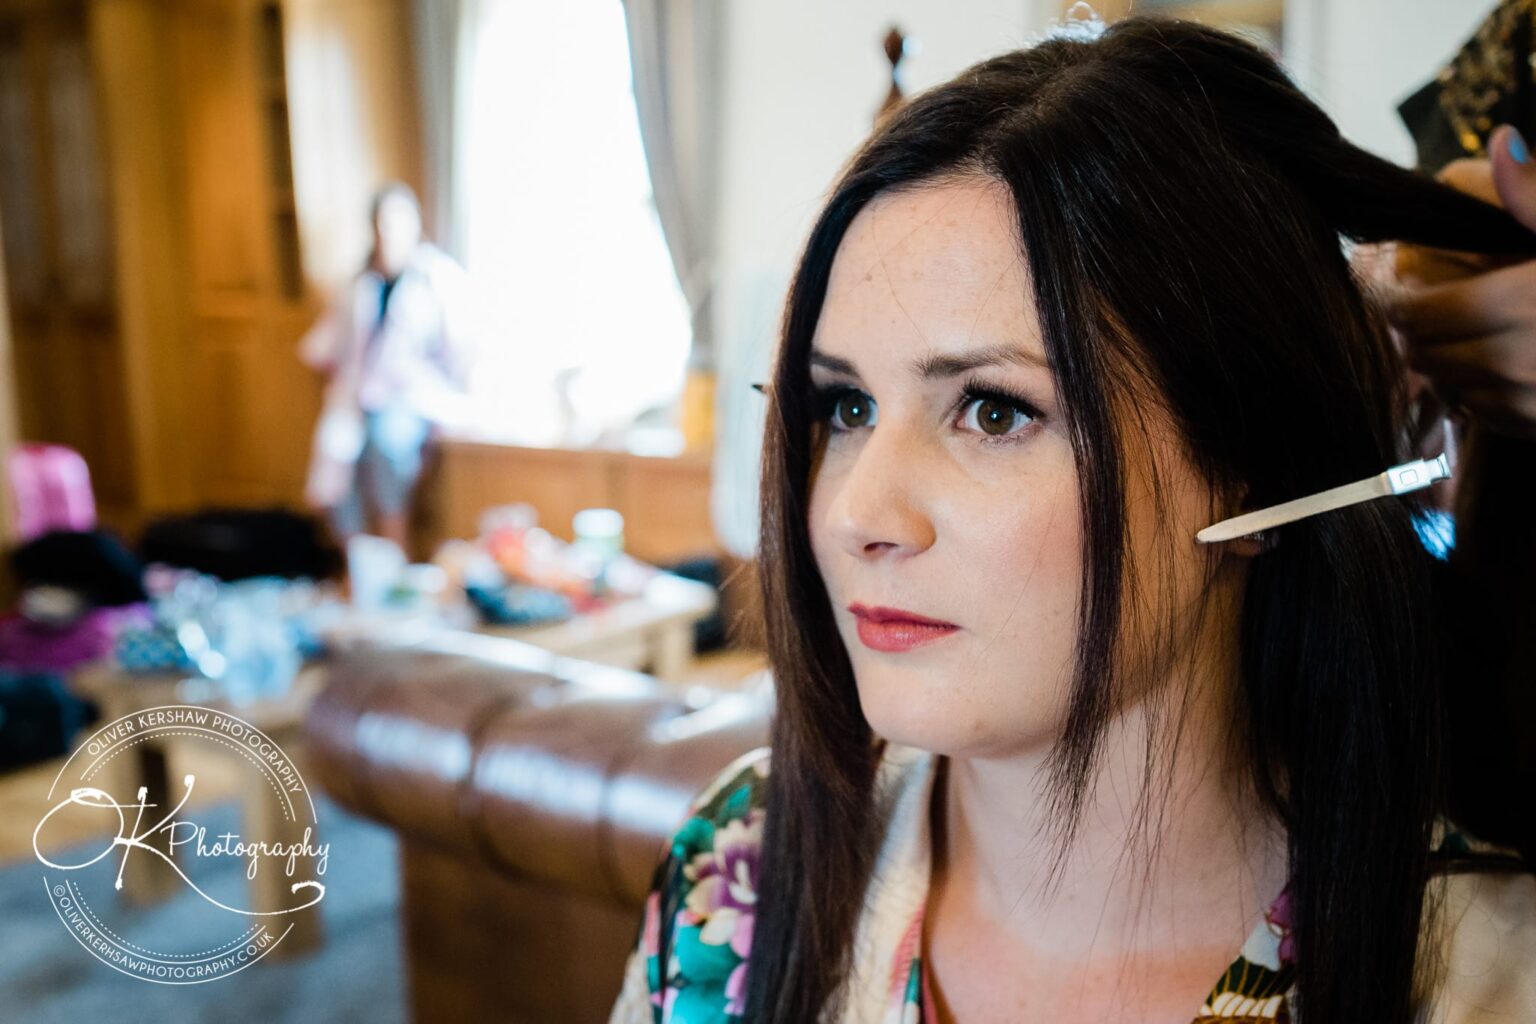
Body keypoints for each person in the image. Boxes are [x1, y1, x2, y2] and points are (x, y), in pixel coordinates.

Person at [608, 15, 1536, 1024]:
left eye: (994, 410)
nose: (854, 515)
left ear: (1262, 476)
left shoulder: (1487, 978)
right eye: (846, 406)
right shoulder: (737, 871)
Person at [299, 182, 478, 549]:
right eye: (383, 223)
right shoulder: (359, 283)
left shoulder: (436, 278)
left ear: (415, 224)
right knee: (337, 455)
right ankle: (358, 562)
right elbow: (325, 346)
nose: (390, 232)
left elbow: (462, 349)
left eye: (399, 222)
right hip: (359, 396)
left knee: (386, 445)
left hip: (413, 397)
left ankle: (395, 549)